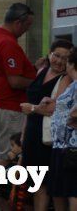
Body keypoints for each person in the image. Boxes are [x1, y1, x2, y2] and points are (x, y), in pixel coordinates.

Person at [0, 3, 38, 211]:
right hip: (10, 108)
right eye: (27, 25)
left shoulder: (0, 37)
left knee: (6, 160)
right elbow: (15, 81)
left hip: (4, 106)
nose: (28, 30)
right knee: (10, 161)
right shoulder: (8, 43)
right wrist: (39, 80)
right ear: (18, 22)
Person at [18, 40, 73, 211]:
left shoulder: (65, 79)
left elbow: (55, 109)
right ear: (49, 54)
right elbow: (31, 105)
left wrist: (33, 109)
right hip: (33, 133)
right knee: (35, 182)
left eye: (65, 58)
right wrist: (23, 133)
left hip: (48, 137)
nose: (59, 61)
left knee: (45, 183)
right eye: (56, 55)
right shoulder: (42, 71)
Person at [40, 46, 77, 209]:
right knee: (61, 190)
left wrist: (70, 118)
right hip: (62, 145)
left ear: (71, 63)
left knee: (72, 191)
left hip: (71, 146)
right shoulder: (73, 85)